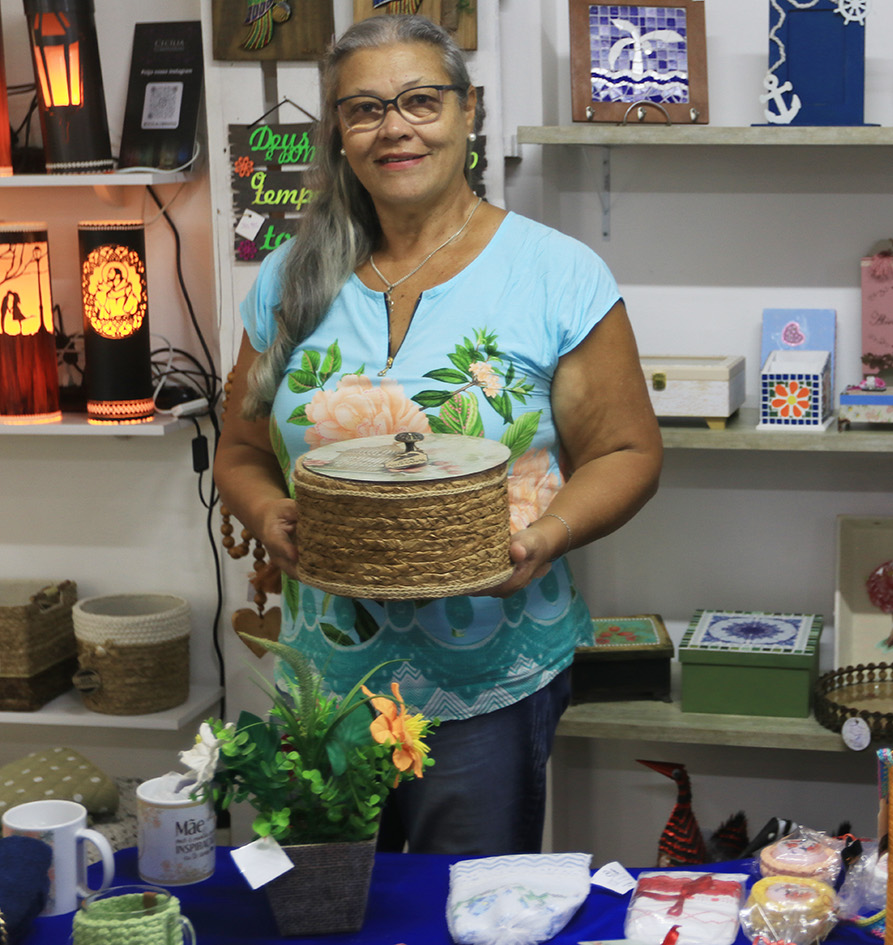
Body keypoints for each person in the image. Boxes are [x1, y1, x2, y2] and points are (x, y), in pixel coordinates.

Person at [212, 13, 662, 856]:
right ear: (339, 133)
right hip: (325, 679)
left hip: (488, 678)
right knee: (334, 908)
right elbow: (238, 450)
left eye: (421, 100)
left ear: (469, 110)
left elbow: (629, 452)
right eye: (364, 108)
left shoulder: (554, 273)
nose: (395, 128)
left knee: (468, 908)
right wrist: (270, 516)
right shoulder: (289, 274)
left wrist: (545, 537)